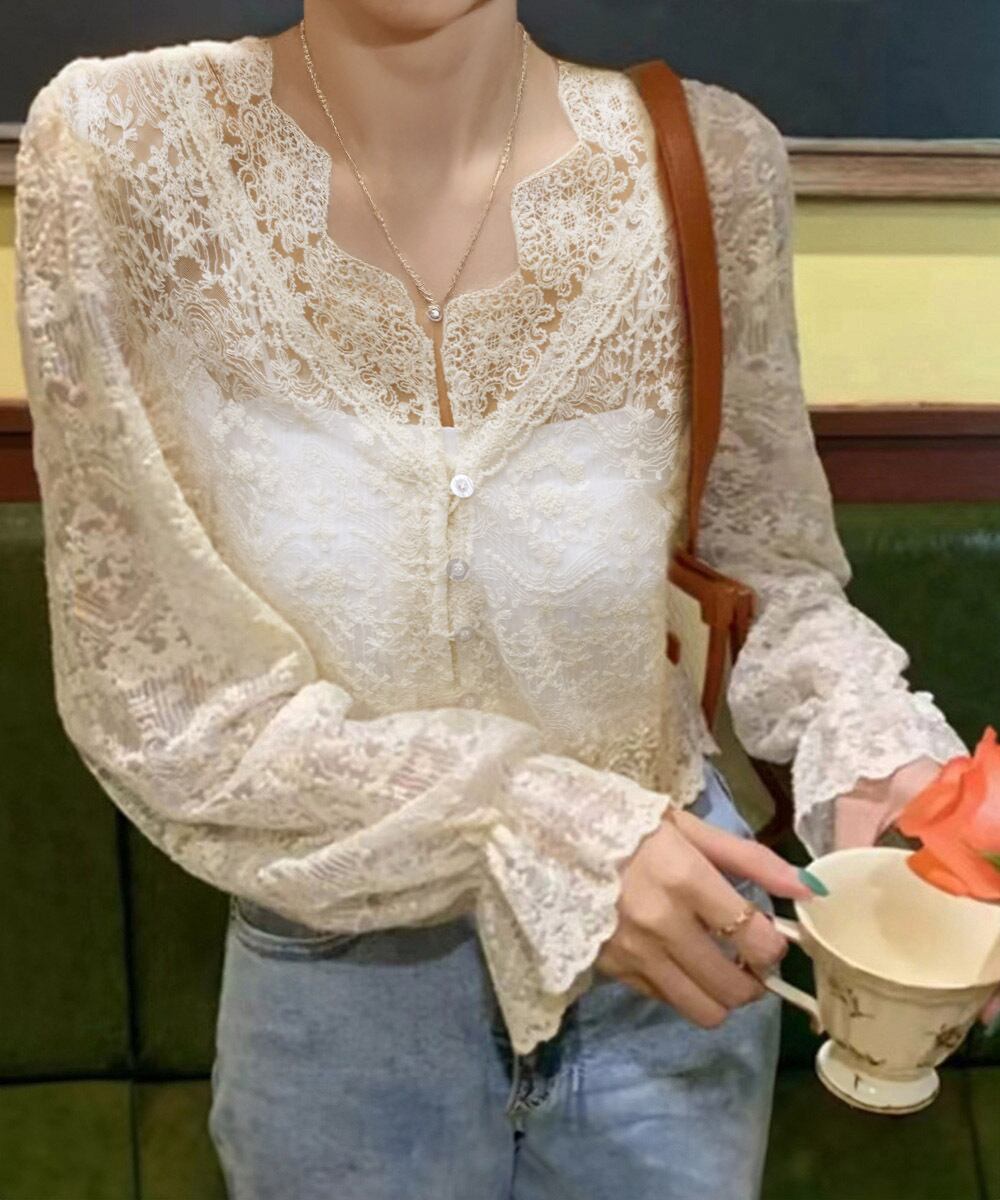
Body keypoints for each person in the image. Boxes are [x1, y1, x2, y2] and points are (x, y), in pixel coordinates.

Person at [15, 2, 990, 1197]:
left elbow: (764, 572)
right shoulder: (121, 150)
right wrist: (538, 833)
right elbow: (155, 688)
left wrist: (880, 759)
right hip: (345, 996)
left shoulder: (708, 162)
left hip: (679, 982)